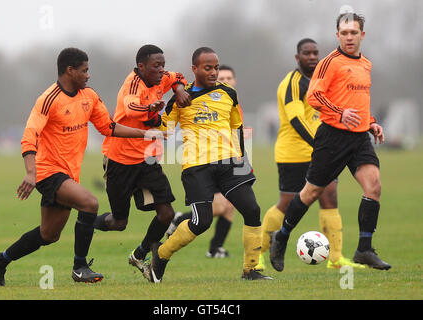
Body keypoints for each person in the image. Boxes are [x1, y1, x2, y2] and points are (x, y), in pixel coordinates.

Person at [0, 48, 165, 286]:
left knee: (48, 235)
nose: (88, 75)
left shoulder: (88, 96)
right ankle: (80, 267)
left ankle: (0, 260)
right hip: (48, 172)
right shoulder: (48, 99)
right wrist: (31, 172)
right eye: (84, 70)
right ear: (70, 71)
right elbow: (30, 136)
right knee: (90, 203)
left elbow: (108, 127)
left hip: (68, 174)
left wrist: (144, 133)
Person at [270, 13, 391, 272]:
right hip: (332, 137)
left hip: (359, 138)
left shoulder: (366, 64)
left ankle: (364, 249)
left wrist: (371, 122)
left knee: (374, 186)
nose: (349, 37)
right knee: (311, 192)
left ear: (362, 35)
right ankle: (281, 236)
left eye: (354, 33)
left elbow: (359, 100)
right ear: (337, 35)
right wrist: (339, 113)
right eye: (344, 33)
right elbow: (314, 95)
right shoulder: (329, 63)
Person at [148, 47, 272, 282]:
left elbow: (237, 127)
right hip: (197, 168)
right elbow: (163, 130)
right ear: (194, 69)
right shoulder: (180, 100)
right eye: (208, 68)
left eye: (216, 67)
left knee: (252, 210)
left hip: (228, 164)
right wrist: (155, 113)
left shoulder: (229, 93)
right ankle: (161, 255)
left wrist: (242, 159)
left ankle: (251, 270)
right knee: (201, 222)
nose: (214, 72)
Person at [257, 38, 364, 270]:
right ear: (298, 58)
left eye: (316, 53)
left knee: (329, 197)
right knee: (287, 202)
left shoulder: (324, 81)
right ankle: (258, 254)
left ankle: (335, 259)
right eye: (307, 53)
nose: (313, 57)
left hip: (322, 151)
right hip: (294, 152)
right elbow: (296, 119)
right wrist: (320, 145)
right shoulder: (292, 84)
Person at [93, 45, 190, 278]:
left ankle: (139, 254)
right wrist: (152, 109)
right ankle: (86, 221)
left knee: (166, 214)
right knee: (119, 222)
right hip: (120, 160)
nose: (161, 70)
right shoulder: (132, 84)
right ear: (141, 67)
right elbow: (131, 107)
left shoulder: (161, 77)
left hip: (147, 159)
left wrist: (178, 90)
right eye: (156, 65)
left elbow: (178, 76)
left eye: (162, 64)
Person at [166, 65, 241, 259]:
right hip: (205, 161)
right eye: (222, 76)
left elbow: (236, 132)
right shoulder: (199, 97)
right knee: (217, 208)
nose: (225, 80)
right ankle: (180, 219)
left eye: (229, 77)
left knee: (230, 206)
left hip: (228, 159)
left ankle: (215, 248)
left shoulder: (230, 98)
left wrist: (242, 159)